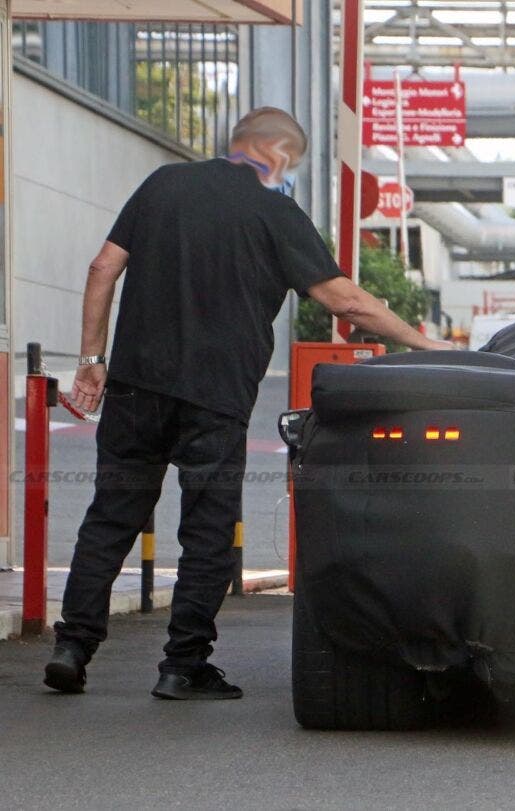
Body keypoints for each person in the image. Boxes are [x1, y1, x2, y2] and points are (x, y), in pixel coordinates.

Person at [43, 107, 449, 699]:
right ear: (279, 156)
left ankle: (72, 648)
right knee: (206, 533)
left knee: (110, 518)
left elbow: (104, 266)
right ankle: (182, 667)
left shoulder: (163, 184)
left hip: (136, 386)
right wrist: (423, 342)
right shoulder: (275, 211)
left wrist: (90, 361)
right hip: (216, 397)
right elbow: (345, 301)